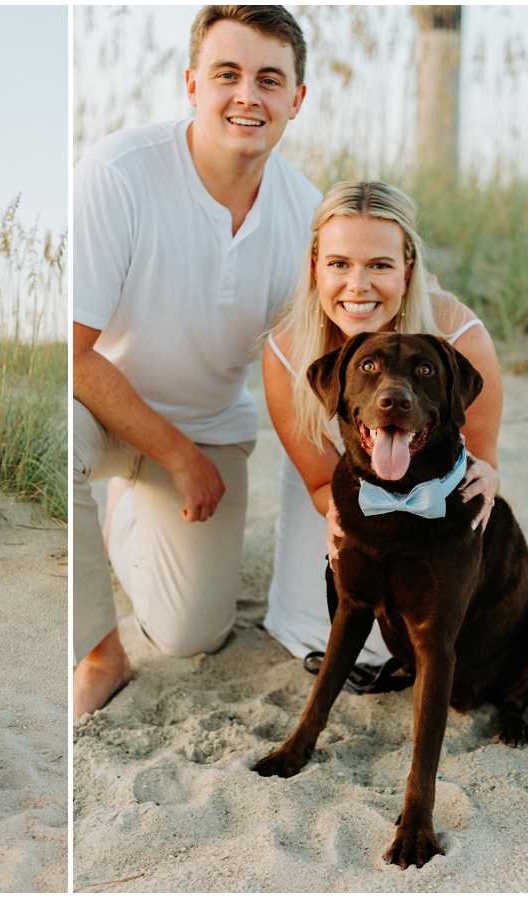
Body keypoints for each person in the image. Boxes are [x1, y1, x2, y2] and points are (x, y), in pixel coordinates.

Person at [74, 5, 322, 718]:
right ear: (192, 85)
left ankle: (126, 517)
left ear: (295, 101)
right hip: (99, 407)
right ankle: (100, 653)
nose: (249, 96)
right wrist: (176, 455)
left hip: (210, 428)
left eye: (270, 80)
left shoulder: (304, 216)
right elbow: (74, 353)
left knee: (190, 635)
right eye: (228, 74)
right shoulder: (117, 173)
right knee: (56, 434)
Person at [261, 180, 503, 669]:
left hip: (427, 487)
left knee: (410, 636)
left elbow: (480, 462)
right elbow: (318, 479)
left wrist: (490, 477)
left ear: (408, 268)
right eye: (339, 264)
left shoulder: (459, 337)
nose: (358, 285)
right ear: (314, 266)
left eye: (380, 265)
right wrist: (338, 514)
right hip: (338, 479)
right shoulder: (287, 350)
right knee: (319, 629)